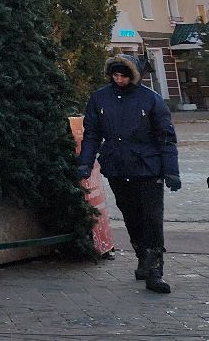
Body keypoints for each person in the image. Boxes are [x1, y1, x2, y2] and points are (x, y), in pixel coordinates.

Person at [77, 53, 180, 294]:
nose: (120, 79)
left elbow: (166, 137)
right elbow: (91, 134)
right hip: (117, 166)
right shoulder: (100, 99)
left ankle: (155, 269)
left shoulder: (150, 100)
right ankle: (143, 258)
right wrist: (85, 163)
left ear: (134, 76)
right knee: (131, 215)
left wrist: (171, 172)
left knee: (152, 218)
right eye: (116, 74)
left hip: (148, 168)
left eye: (124, 75)